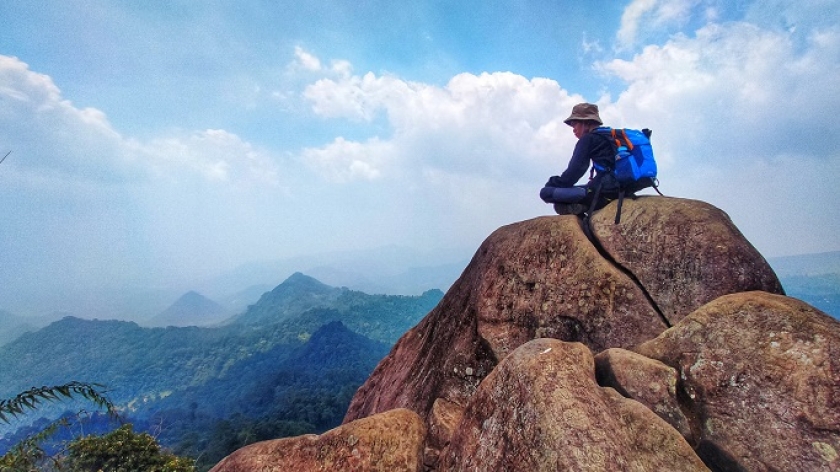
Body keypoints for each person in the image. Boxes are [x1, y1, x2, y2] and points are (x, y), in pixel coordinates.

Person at [540, 103, 619, 215]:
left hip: (604, 193)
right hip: (622, 190)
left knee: (546, 193)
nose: (573, 129)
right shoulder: (611, 136)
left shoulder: (588, 139)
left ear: (586, 123)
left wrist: (553, 183)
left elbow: (574, 172)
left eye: (574, 124)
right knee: (582, 190)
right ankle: (583, 210)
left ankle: (582, 211)